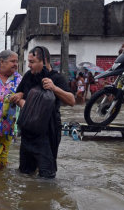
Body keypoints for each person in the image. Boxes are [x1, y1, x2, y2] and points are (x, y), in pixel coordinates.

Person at [10, 46, 75, 178]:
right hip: (28, 130)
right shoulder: (28, 76)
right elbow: (18, 95)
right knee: (25, 174)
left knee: (47, 175)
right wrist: (20, 98)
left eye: (32, 62)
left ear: (44, 61)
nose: (29, 65)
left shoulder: (56, 78)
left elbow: (72, 101)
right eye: (28, 62)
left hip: (48, 131)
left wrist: (54, 88)